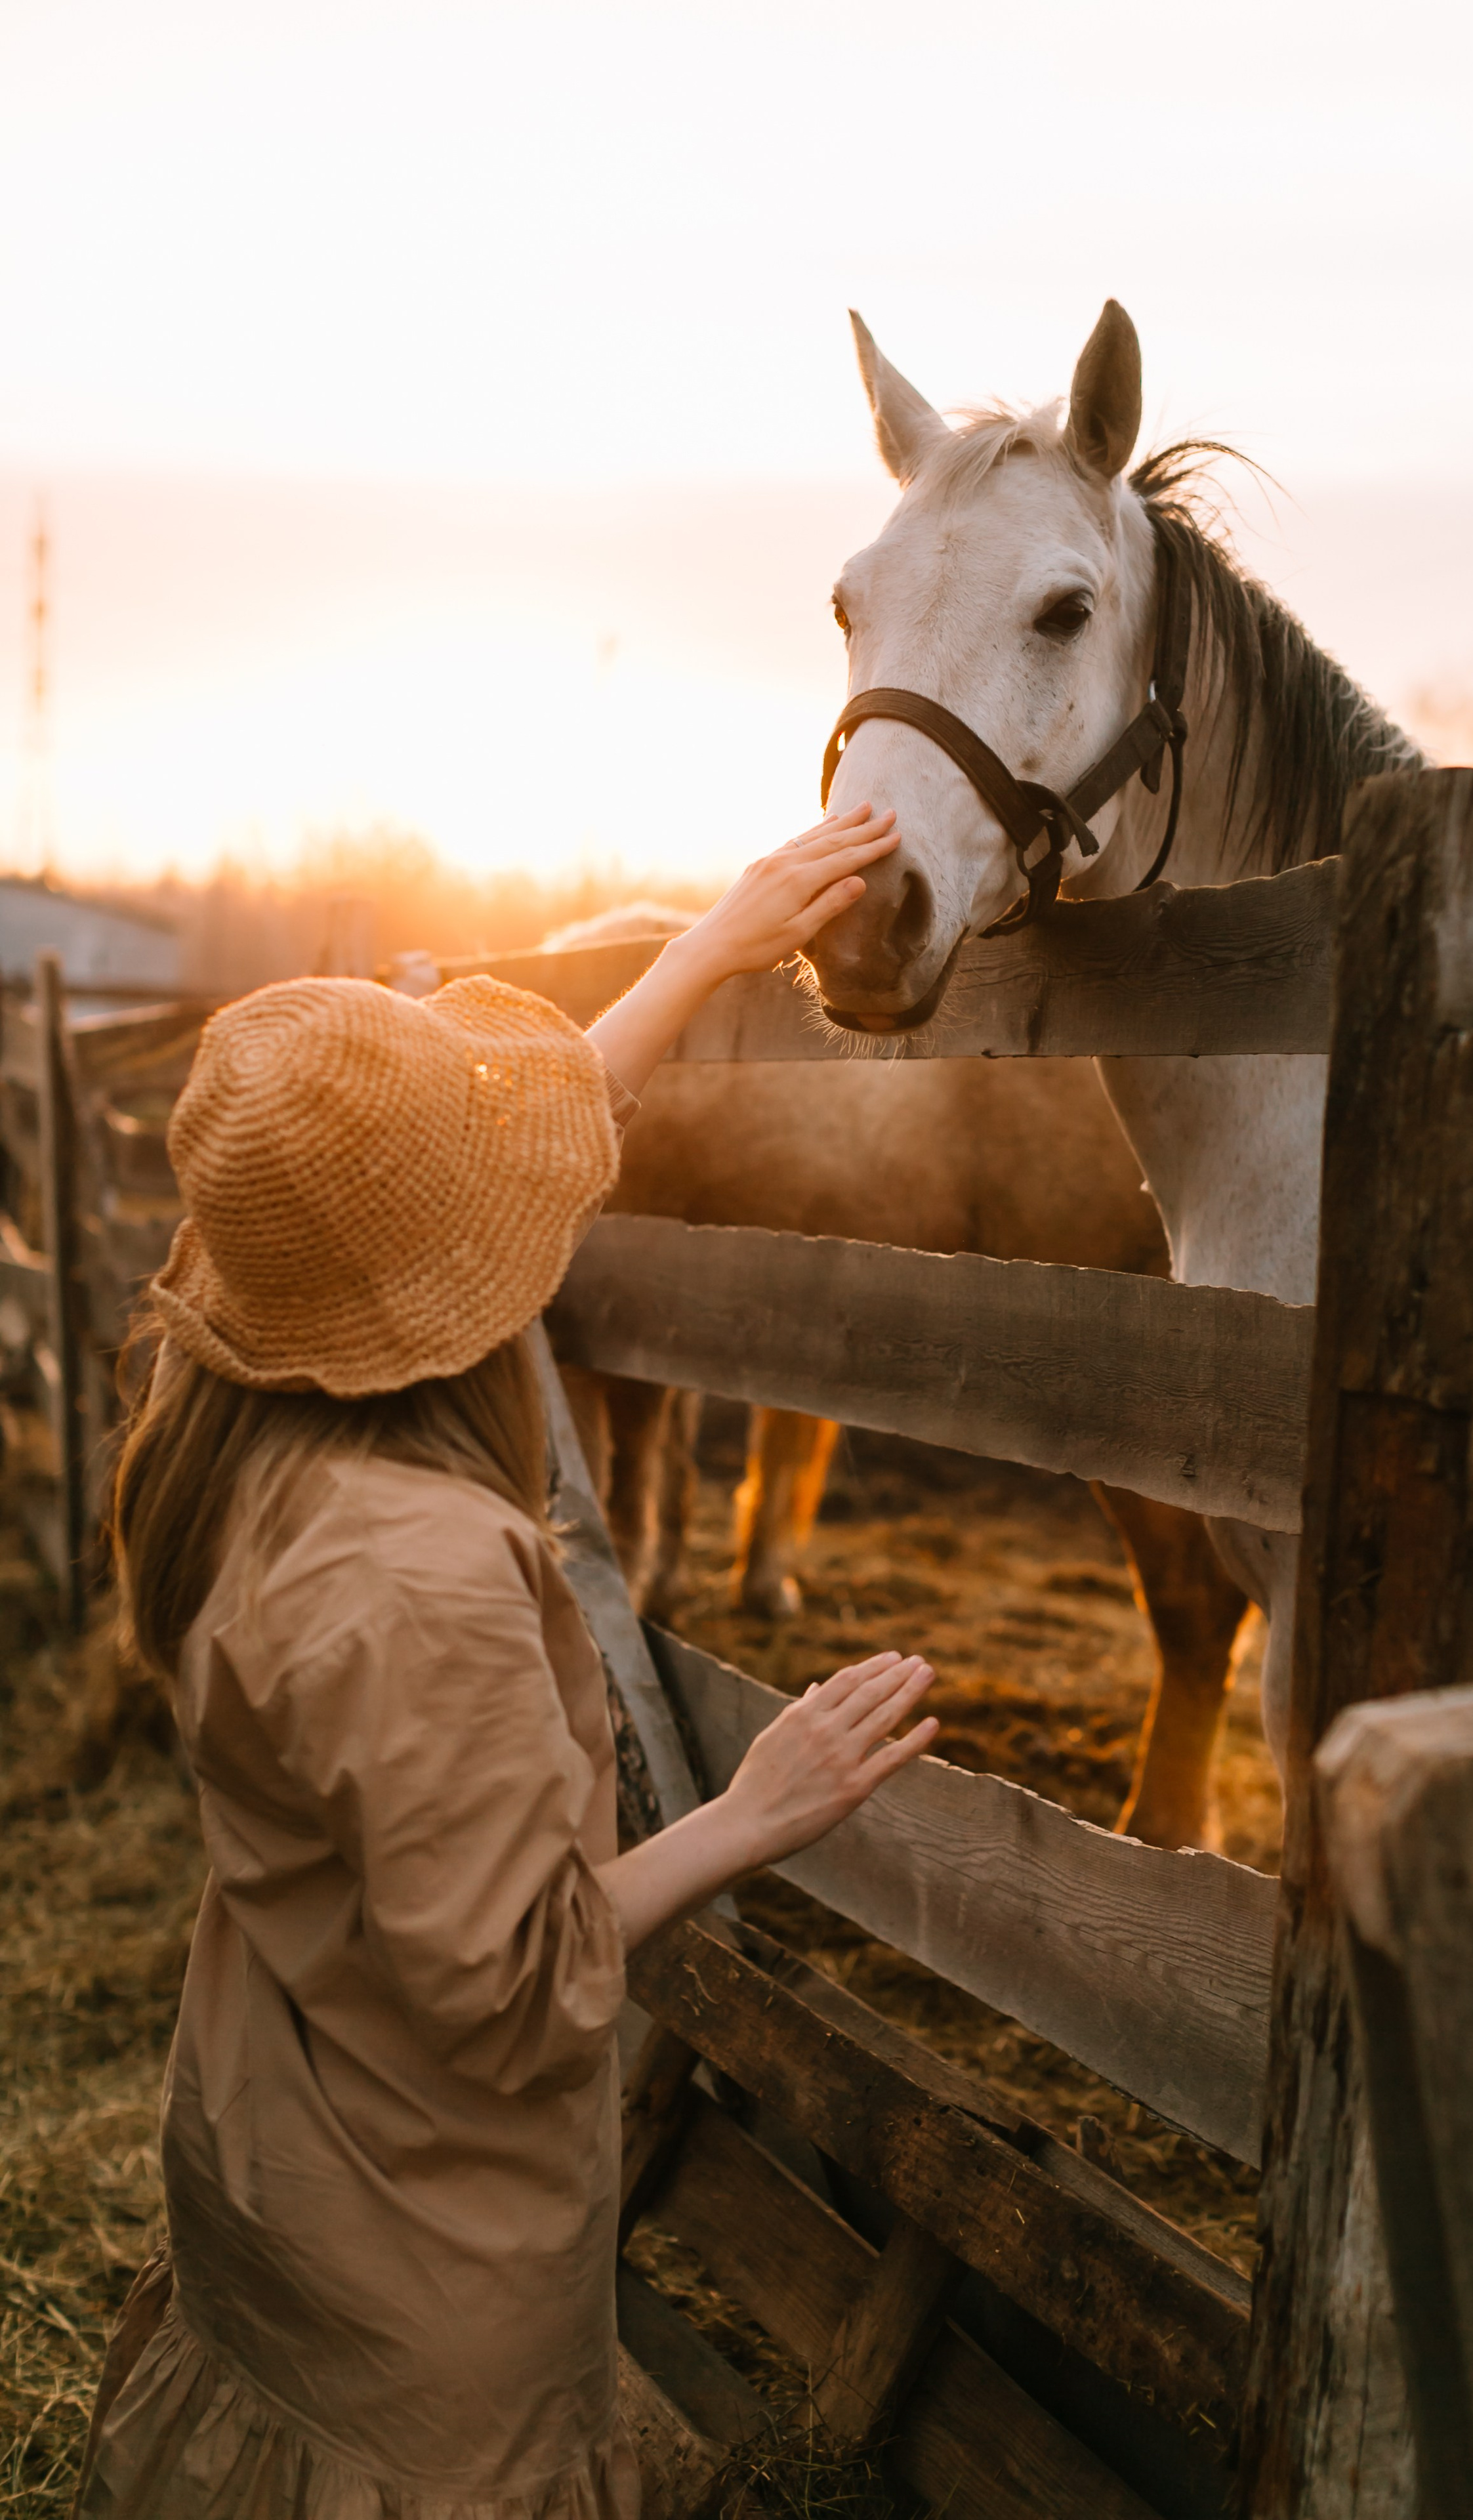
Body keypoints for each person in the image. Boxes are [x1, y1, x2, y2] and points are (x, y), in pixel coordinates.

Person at [77, 805, 937, 2520]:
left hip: (274, 2161)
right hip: (430, 2269)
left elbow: (447, 1193)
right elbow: (515, 1992)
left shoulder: (222, 1412)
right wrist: (756, 1811)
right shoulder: (423, 1576)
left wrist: (702, 950)